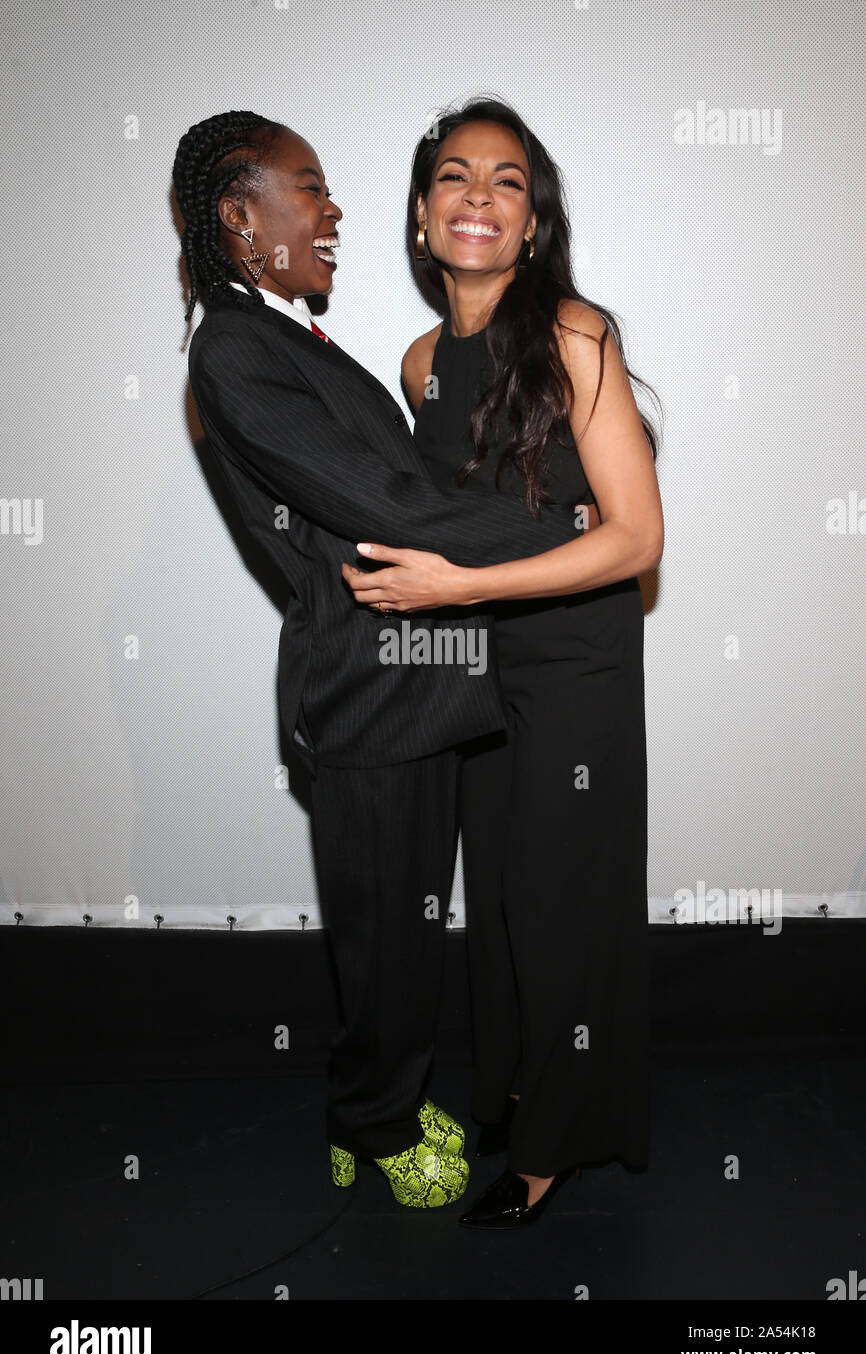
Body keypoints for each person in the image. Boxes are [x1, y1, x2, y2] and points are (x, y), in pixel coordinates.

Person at [170, 110, 598, 1211]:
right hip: (367, 695)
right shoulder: (232, 347)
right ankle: (372, 1125)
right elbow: (386, 504)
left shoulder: (287, 335)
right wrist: (568, 532)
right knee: (384, 944)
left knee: (408, 927)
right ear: (237, 214)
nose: (332, 209)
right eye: (306, 188)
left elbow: (406, 486)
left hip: (416, 673)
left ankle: (381, 1095)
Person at [343, 97, 663, 1227]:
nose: (477, 195)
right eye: (453, 177)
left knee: (559, 899)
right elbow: (432, 520)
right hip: (466, 665)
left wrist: (460, 588)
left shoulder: (574, 332)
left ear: (530, 224)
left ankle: (557, 1139)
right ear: (423, 216)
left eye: (507, 180)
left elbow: (634, 539)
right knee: (499, 905)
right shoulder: (418, 358)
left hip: (571, 660)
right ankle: (518, 1084)